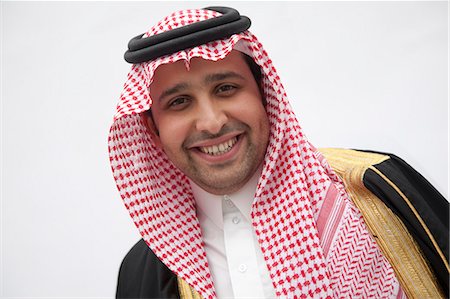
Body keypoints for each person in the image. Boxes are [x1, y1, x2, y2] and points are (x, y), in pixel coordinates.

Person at [108, 6, 448, 299]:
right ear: (153, 128)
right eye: (179, 102)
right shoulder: (145, 271)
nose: (211, 123)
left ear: (264, 95)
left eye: (226, 88)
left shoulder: (374, 186)